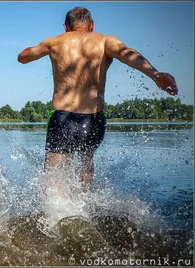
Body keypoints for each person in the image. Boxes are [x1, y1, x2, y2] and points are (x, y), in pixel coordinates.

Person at [17, 7, 178, 188]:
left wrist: (36, 50)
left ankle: (56, 212)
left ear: (65, 27)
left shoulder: (54, 42)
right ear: (91, 25)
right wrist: (155, 75)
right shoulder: (105, 41)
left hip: (63, 118)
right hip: (93, 119)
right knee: (86, 168)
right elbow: (127, 54)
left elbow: (22, 57)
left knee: (54, 176)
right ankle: (85, 210)